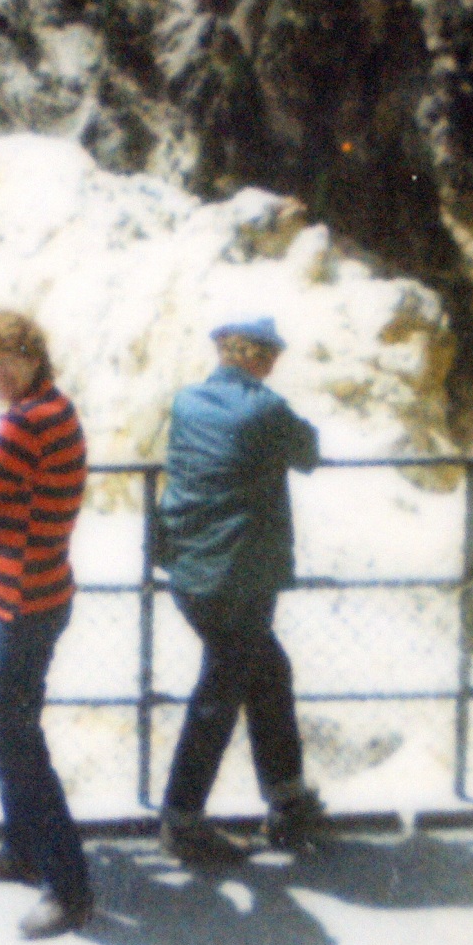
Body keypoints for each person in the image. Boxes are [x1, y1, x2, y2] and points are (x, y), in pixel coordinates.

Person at [152, 315, 330, 866]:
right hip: (239, 577)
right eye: (270, 354)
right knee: (221, 693)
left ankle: (288, 800)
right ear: (255, 357)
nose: (274, 364)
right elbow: (309, 454)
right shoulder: (266, 409)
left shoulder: (185, 402)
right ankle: (182, 822)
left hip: (189, 571)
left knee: (266, 672)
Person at [0, 310, 92, 938]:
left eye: (4, 360)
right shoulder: (53, 408)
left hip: (21, 602)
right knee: (10, 730)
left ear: (33, 356)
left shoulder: (29, 421)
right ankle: (23, 848)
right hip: (24, 591)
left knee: (16, 741)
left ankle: (69, 887)